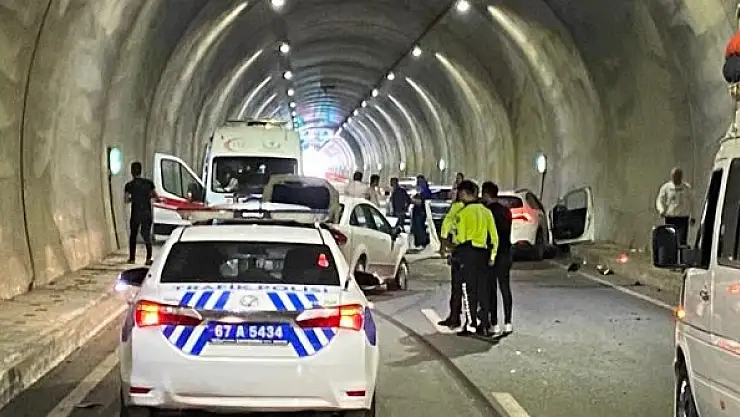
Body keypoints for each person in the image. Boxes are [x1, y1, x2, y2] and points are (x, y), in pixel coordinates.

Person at [449, 180, 499, 336]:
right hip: (483, 253)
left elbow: (460, 238)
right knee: (483, 290)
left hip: (467, 253)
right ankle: (484, 324)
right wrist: (492, 255)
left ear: (464, 193)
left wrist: (453, 250)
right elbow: (494, 237)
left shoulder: (462, 214)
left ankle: (471, 324)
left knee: (468, 290)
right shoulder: (486, 212)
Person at [481, 181, 513, 336]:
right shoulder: (506, 211)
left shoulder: (486, 211)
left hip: (491, 254)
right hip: (506, 253)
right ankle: (508, 322)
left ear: (486, 194)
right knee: (505, 288)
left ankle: (494, 323)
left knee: (491, 289)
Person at [437, 195, 466, 329]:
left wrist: (443, 246)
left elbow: (446, 226)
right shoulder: (478, 207)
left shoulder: (457, 207)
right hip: (476, 251)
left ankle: (455, 317)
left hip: (459, 249)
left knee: (457, 286)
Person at [124, 161, 157, 265]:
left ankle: (132, 259)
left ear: (132, 172)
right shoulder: (149, 183)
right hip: (146, 212)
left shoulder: (129, 185)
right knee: (146, 235)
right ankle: (148, 258)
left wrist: (134, 198)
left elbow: (126, 200)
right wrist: (147, 196)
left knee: (133, 235)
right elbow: (155, 195)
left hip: (136, 213)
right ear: (141, 171)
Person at [656, 167, 694, 245]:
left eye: (678, 176)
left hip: (683, 218)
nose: (675, 178)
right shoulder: (666, 187)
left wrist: (693, 216)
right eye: (674, 176)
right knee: (670, 239)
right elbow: (660, 200)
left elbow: (692, 202)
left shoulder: (686, 188)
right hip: (670, 218)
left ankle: (681, 251)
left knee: (681, 240)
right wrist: (661, 210)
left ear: (681, 177)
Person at [411, 175, 433, 249]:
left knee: (420, 227)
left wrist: (413, 200)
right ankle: (418, 242)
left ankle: (422, 242)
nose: (418, 183)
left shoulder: (425, 191)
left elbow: (422, 202)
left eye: (419, 181)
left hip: (421, 212)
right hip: (417, 212)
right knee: (417, 227)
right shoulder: (419, 191)